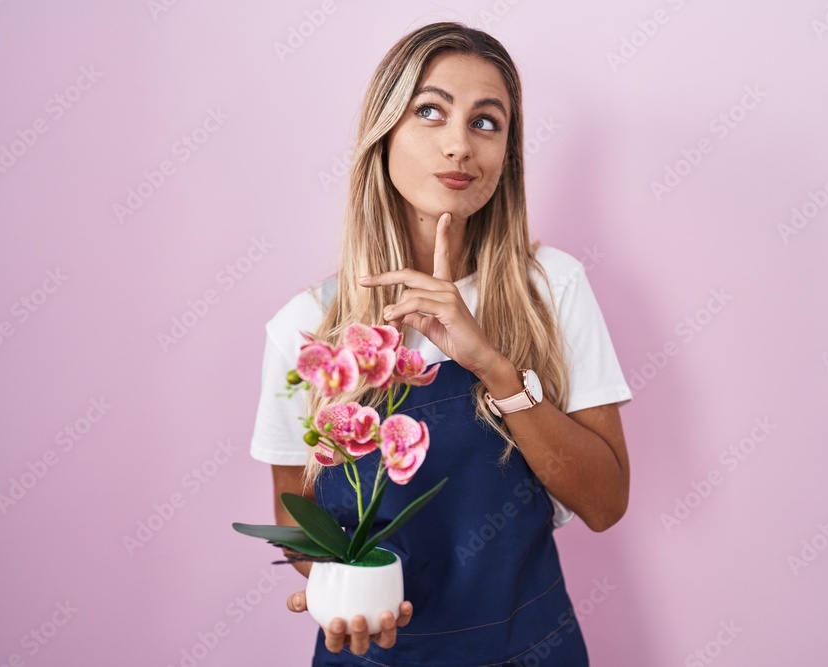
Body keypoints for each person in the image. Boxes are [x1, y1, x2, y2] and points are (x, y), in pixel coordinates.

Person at [249, 21, 633, 666]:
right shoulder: (306, 328)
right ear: (384, 133)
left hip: (532, 650)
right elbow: (298, 518)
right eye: (430, 111)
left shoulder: (552, 288)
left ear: (506, 154)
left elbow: (603, 503)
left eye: (487, 122)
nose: (459, 145)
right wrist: (331, 589)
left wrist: (493, 366)